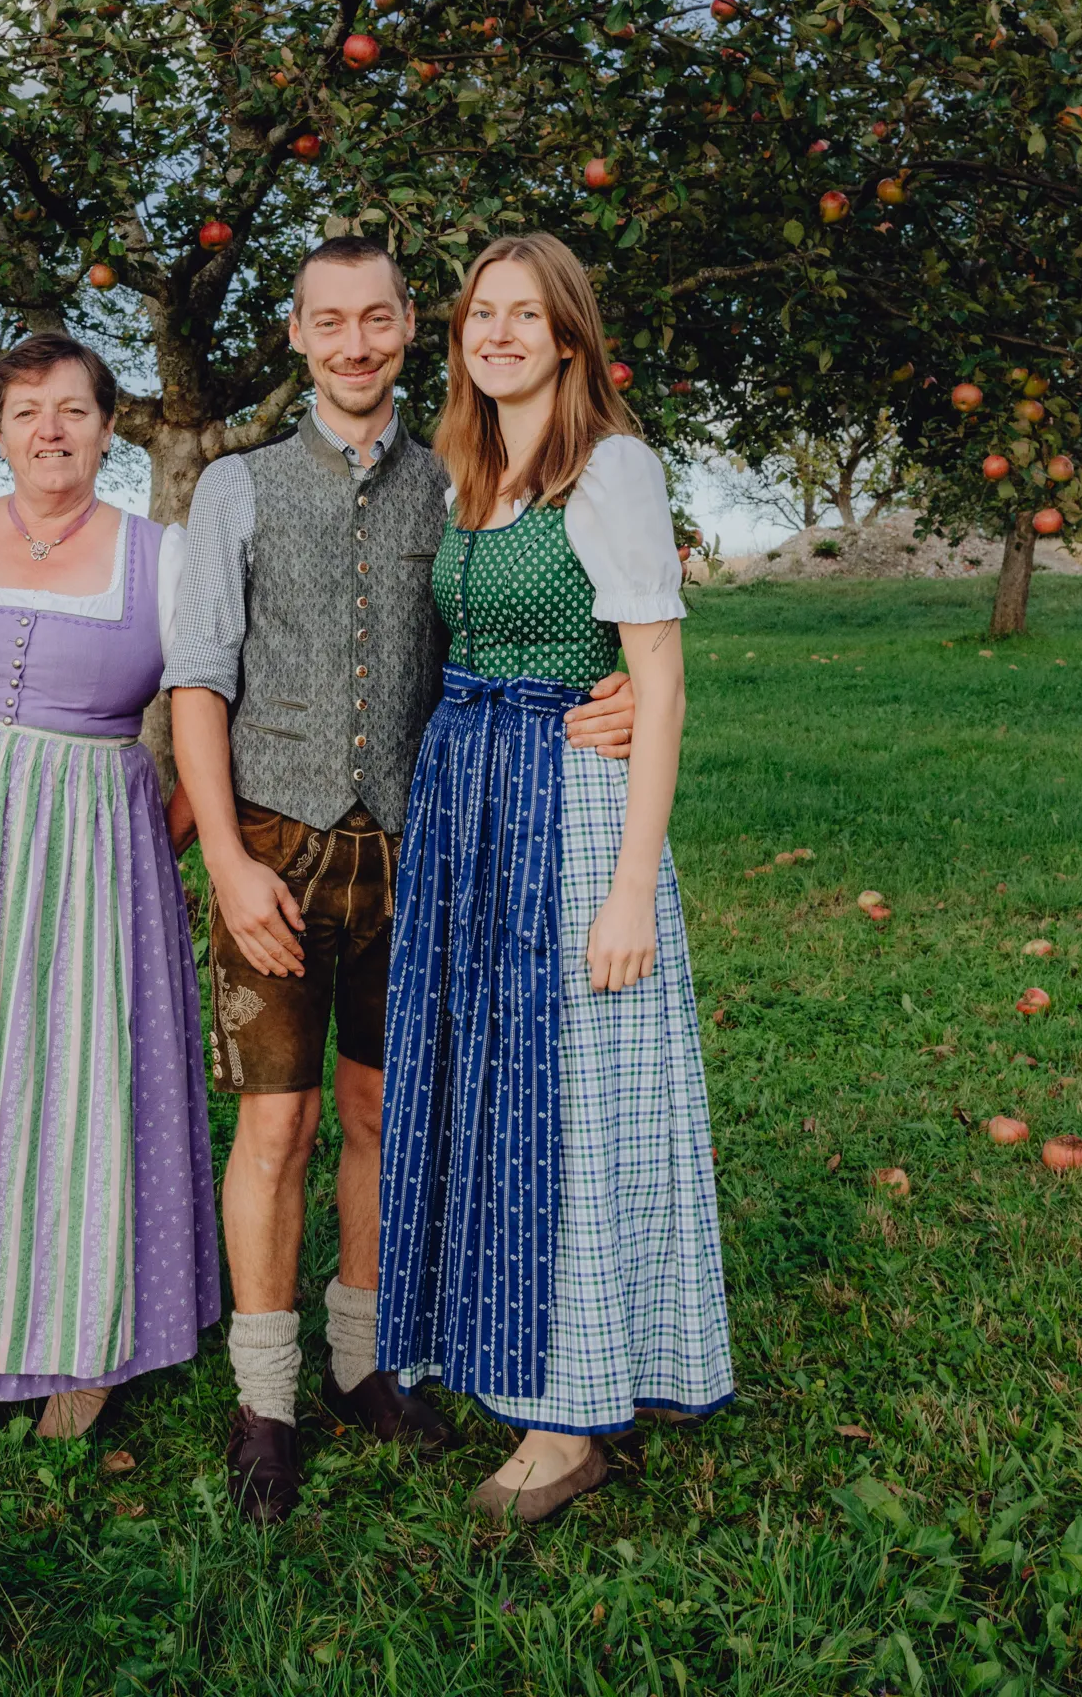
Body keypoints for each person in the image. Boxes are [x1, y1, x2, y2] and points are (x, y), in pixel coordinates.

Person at [165, 237, 637, 1525]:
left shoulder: (463, 480)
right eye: (333, 323)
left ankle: (365, 1359)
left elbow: (565, 608)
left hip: (421, 855)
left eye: (379, 320)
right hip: (275, 848)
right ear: (302, 334)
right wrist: (225, 852)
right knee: (278, 1125)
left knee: (381, 1118)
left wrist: (633, 686)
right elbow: (198, 679)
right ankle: (264, 1397)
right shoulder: (236, 488)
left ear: (407, 326)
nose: (358, 343)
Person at [372, 233, 734, 1527]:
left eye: (529, 316)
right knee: (497, 1088)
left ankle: (571, 1413)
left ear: (572, 341)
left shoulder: (609, 467)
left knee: (571, 1097)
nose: (502, 333)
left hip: (572, 815)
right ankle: (519, 1350)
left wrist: (632, 886)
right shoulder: (471, 470)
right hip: (474, 806)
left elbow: (662, 673)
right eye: (484, 314)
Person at [0, 336, 224, 1439]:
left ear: (110, 427)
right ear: (0, 427)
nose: (51, 429)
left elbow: (224, 707)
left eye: (74, 408)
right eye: (27, 410)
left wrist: (159, 831)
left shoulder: (161, 554)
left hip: (93, 849)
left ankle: (83, 1340)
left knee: (79, 1084)